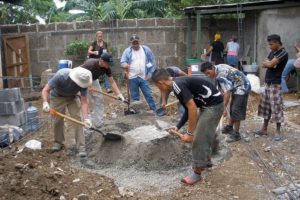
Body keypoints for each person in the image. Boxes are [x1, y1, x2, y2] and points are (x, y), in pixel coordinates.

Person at [152, 68, 224, 185]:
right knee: (203, 133)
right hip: (208, 105)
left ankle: (197, 173)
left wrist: (190, 134)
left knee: (198, 138)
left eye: (158, 87)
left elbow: (192, 108)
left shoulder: (177, 85)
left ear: (161, 83)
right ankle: (206, 161)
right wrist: (178, 126)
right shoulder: (177, 84)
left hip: (213, 106)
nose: (160, 90)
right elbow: (188, 108)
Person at [41, 67, 93, 157]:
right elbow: (45, 90)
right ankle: (58, 143)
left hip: (73, 97)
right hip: (57, 97)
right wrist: (45, 102)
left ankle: (81, 147)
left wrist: (86, 119)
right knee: (57, 121)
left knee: (78, 120)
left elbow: (84, 102)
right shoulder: (61, 76)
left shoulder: (83, 82)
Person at [201, 62, 251, 142]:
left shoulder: (221, 75)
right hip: (235, 85)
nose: (208, 75)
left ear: (212, 68)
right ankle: (229, 127)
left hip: (242, 86)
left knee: (236, 109)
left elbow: (227, 93)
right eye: (206, 74)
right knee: (232, 107)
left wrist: (223, 108)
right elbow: (222, 89)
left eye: (208, 73)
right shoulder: (217, 68)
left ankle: (236, 134)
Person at [255, 34, 288, 141]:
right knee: (266, 107)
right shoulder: (273, 52)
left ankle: (278, 131)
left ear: (277, 43)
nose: (269, 46)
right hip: (267, 82)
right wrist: (269, 63)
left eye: (271, 44)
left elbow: (269, 64)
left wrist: (270, 63)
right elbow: (265, 63)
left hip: (275, 83)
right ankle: (264, 129)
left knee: (276, 108)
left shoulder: (283, 53)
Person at [81, 53, 125, 129]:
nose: (109, 65)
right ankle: (86, 124)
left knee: (99, 99)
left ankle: (98, 123)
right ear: (101, 61)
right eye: (108, 63)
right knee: (86, 102)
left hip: (93, 80)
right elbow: (80, 74)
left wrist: (119, 94)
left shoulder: (107, 67)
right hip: (82, 79)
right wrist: (89, 86)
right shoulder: (90, 64)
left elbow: (112, 81)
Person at [120, 34, 156, 112]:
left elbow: (152, 61)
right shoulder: (127, 51)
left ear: (139, 42)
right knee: (135, 97)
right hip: (132, 77)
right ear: (131, 43)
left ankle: (153, 110)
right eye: (133, 43)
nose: (135, 45)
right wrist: (125, 65)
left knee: (148, 94)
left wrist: (149, 74)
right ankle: (136, 112)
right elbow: (122, 62)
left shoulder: (146, 50)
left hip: (143, 77)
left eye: (137, 43)